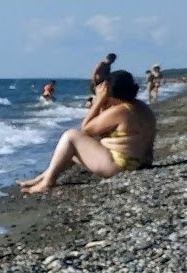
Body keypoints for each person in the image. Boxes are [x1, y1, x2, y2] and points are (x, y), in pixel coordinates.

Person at [17, 70, 155, 194]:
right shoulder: (141, 106)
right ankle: (41, 178)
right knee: (69, 151)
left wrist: (99, 101)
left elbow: (86, 129)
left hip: (120, 167)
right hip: (141, 162)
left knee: (71, 136)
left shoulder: (121, 111)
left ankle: (47, 183)